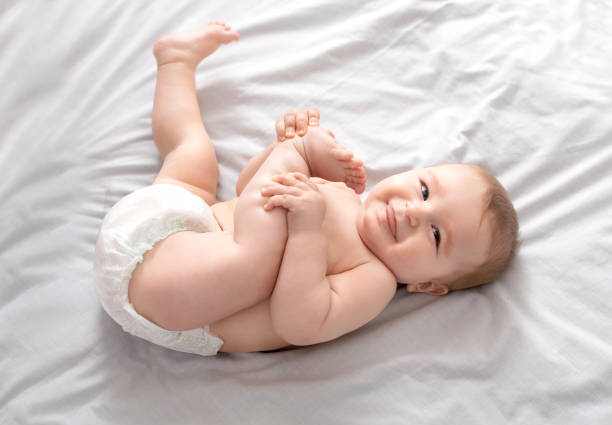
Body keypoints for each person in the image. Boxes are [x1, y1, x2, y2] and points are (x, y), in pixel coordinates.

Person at [95, 22, 519, 356]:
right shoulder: (342, 190)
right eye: (425, 192)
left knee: (255, 260)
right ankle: (175, 64)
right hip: (174, 225)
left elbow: (299, 323)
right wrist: (274, 149)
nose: (414, 213)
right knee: (191, 152)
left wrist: (307, 231)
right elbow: (246, 190)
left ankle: (296, 150)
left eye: (436, 235)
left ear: (430, 284)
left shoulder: (373, 279)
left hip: (167, 300)